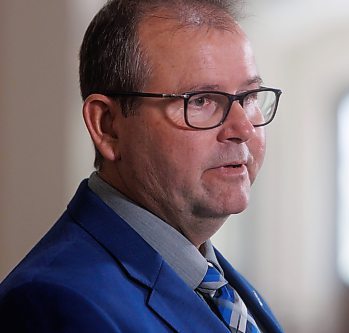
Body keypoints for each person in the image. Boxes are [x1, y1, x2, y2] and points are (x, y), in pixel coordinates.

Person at [0, 0, 283, 332]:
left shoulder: (220, 285)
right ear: (108, 126)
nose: (243, 129)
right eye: (201, 101)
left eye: (248, 98)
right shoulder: (52, 303)